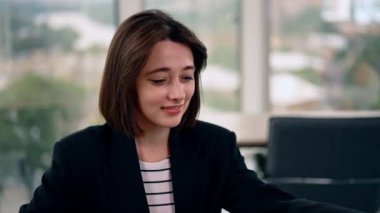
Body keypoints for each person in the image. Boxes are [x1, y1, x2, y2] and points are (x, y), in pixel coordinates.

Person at [20, 9, 363, 213]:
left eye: (186, 78)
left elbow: (275, 209)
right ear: (126, 82)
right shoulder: (80, 155)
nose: (177, 93)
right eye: (159, 80)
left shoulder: (214, 146)